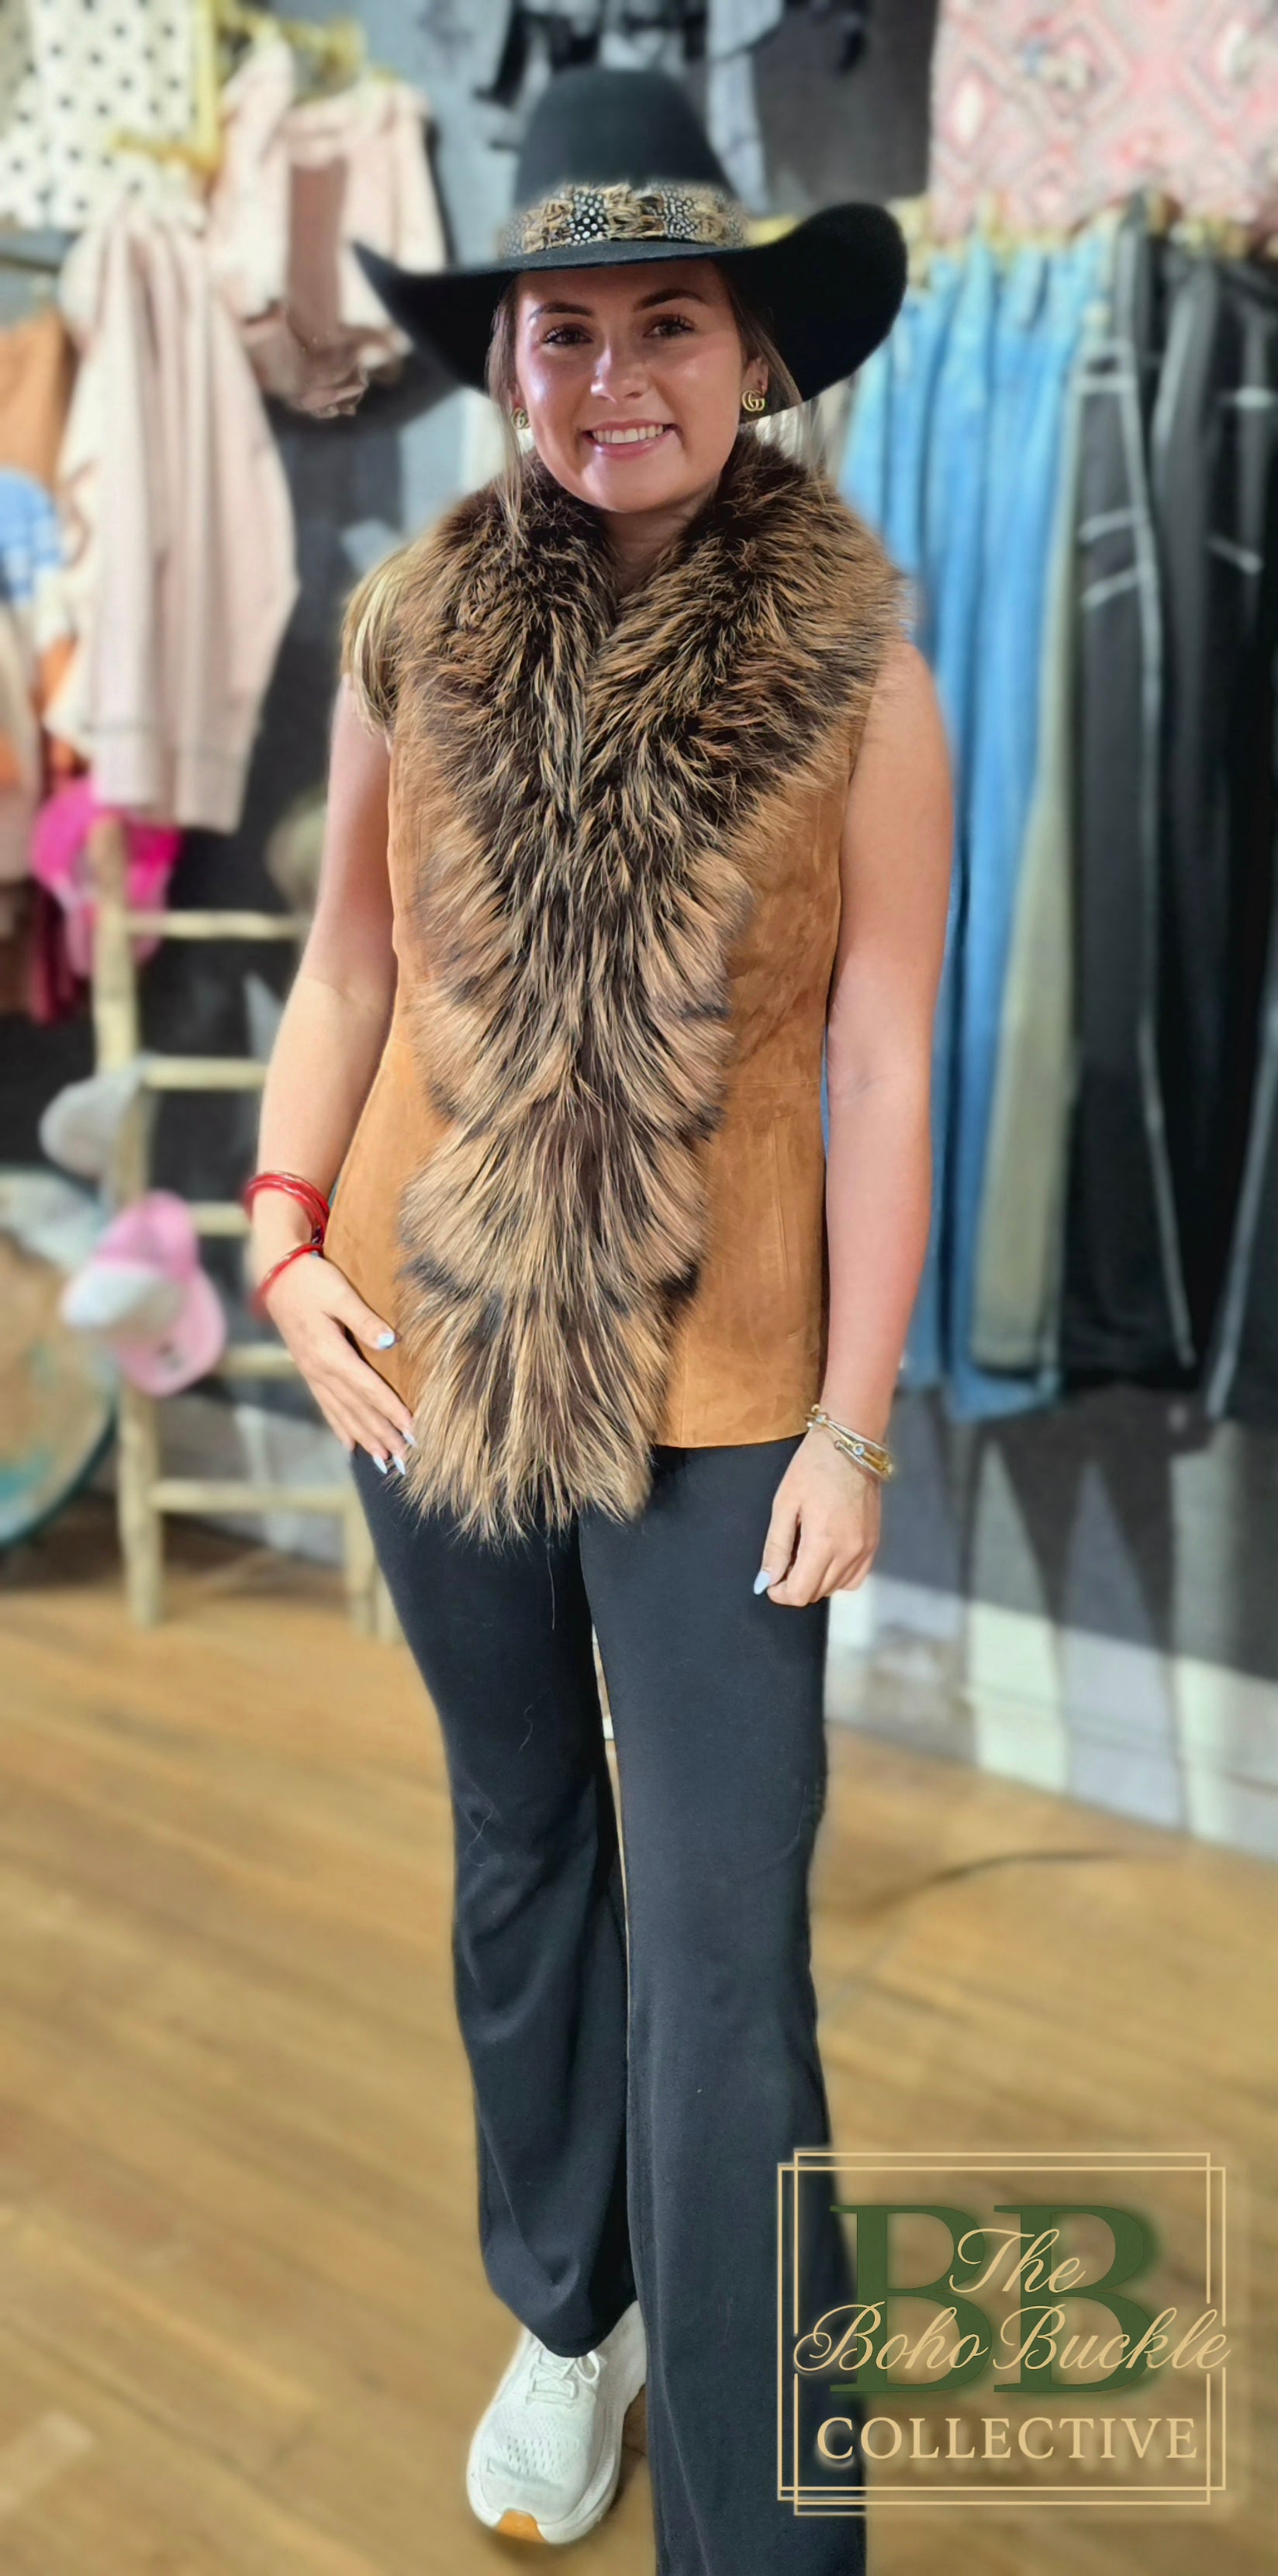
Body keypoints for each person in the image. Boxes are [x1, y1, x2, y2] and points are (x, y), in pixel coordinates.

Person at [244, 66, 952, 2576]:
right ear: (503, 356)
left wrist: (854, 1421)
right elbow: (349, 970)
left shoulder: (860, 670)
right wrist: (281, 1233)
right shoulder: (412, 627)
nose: (614, 375)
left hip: (731, 1370)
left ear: (754, 353)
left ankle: (768, 2533)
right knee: (523, 1838)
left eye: (670, 321)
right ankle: (574, 2309)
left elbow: (885, 1057)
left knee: (729, 1962)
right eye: (565, 327)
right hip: (427, 1339)